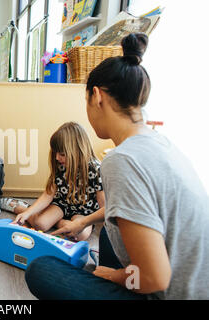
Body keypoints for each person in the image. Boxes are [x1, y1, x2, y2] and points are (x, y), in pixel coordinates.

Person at [25, 33, 209, 300]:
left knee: (40, 269)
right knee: (112, 230)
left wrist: (112, 276)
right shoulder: (160, 144)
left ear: (97, 97)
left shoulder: (121, 160)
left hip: (165, 291)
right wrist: (83, 223)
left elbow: (154, 278)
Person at [8, 122, 104, 241]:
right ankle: (20, 207)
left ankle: (57, 222)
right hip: (62, 204)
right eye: (56, 153)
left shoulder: (97, 170)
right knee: (40, 224)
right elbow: (48, 194)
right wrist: (27, 213)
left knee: (81, 235)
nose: (57, 158)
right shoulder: (61, 165)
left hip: (84, 212)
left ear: (78, 151)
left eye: (62, 154)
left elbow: (103, 207)